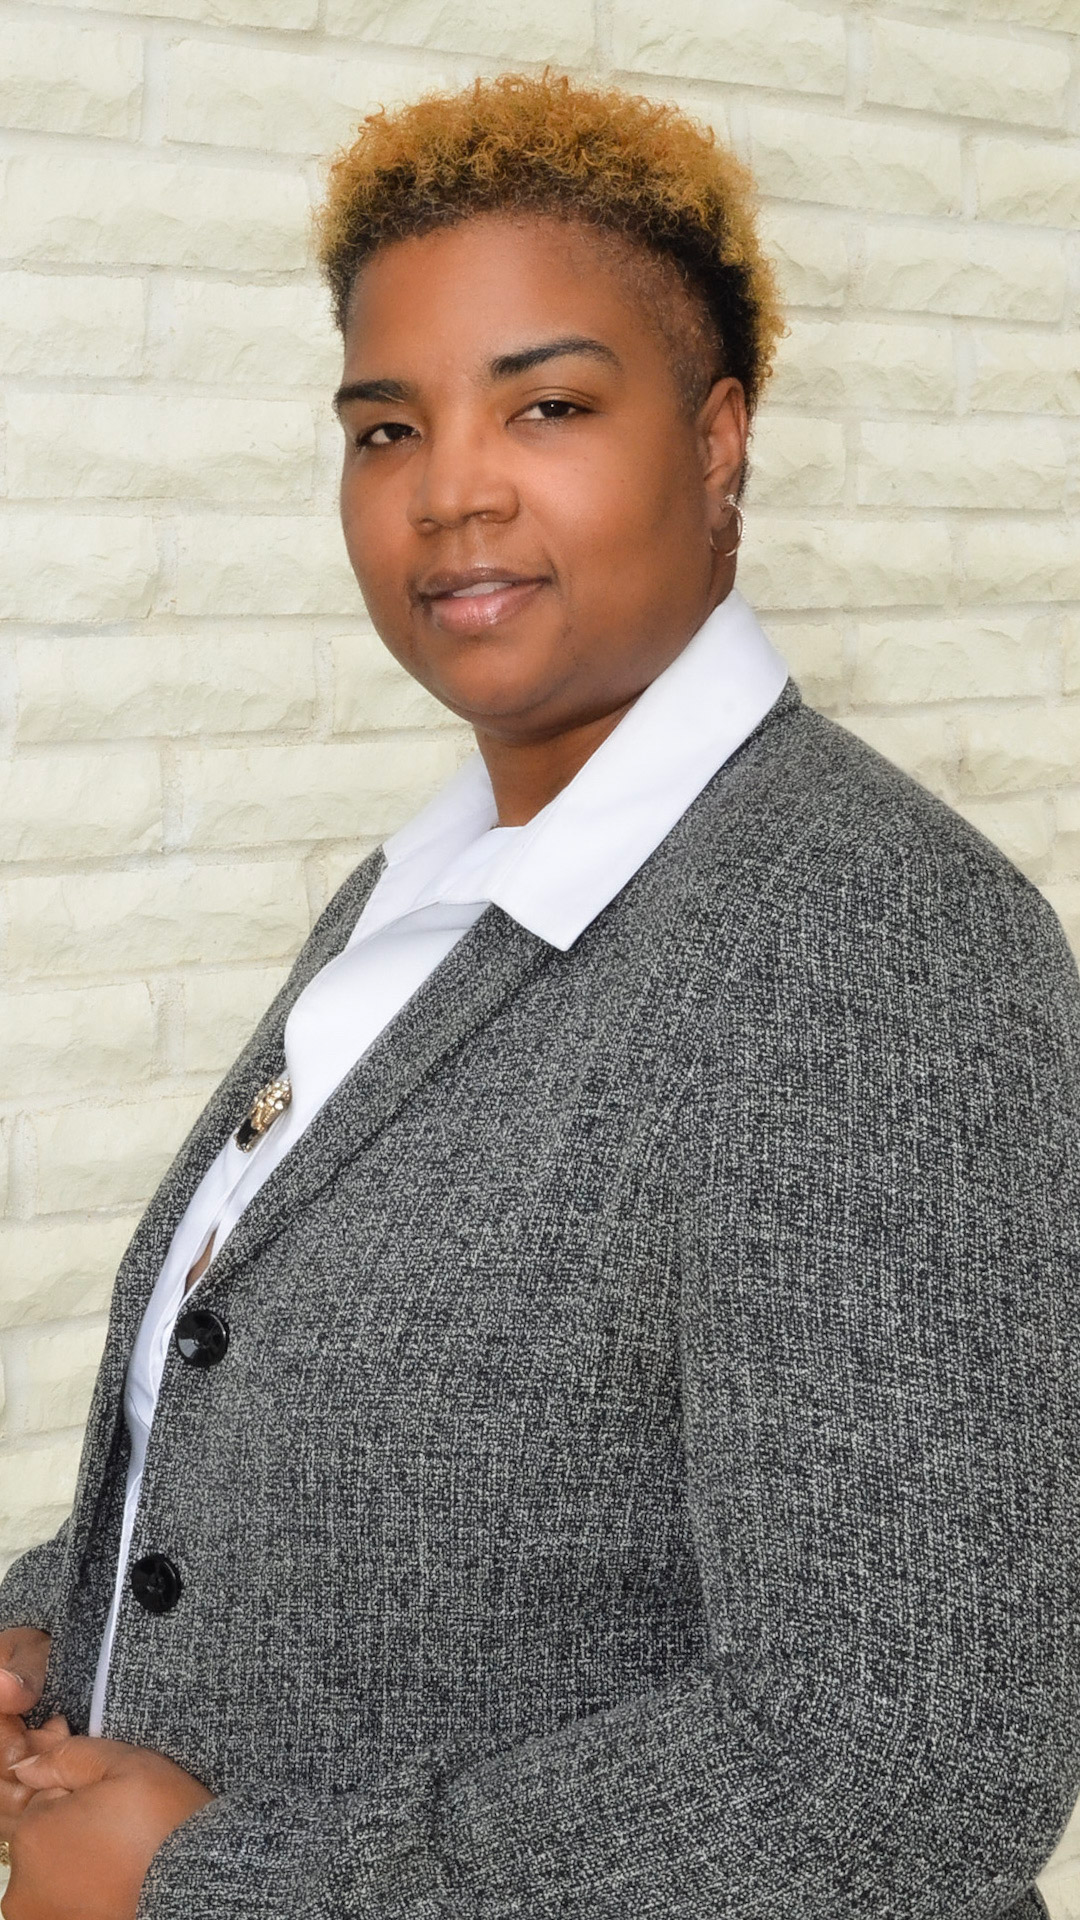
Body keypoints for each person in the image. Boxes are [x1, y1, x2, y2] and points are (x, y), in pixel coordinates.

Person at [0, 69, 1077, 1920]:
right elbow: (374, 1459)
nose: (452, 492)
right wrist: (58, 1622)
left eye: (549, 405)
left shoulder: (872, 944)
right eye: (386, 428)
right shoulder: (424, 892)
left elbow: (904, 1772)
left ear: (720, 441)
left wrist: (216, 1884)